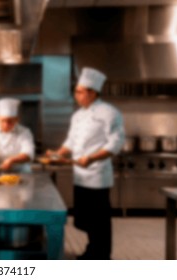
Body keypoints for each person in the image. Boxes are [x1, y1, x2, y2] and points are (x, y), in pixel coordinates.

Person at [47, 67, 125, 260]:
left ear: (92, 92)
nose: (76, 95)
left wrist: (92, 158)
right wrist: (58, 153)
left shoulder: (109, 113)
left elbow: (115, 142)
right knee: (87, 219)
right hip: (80, 175)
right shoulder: (78, 115)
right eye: (76, 91)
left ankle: (102, 255)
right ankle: (92, 251)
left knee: (99, 220)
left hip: (97, 175)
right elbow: (71, 141)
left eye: (79, 92)